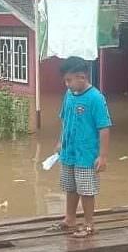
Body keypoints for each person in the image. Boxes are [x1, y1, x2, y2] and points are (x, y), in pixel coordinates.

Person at [48, 56, 112, 238]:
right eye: (65, 80)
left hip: (86, 155)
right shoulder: (69, 95)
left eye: (69, 80)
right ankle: (69, 219)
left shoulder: (96, 98)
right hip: (69, 152)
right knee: (70, 187)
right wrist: (61, 141)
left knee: (86, 189)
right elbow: (65, 120)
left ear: (82, 77)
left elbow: (104, 127)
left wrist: (103, 156)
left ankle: (90, 224)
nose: (66, 84)